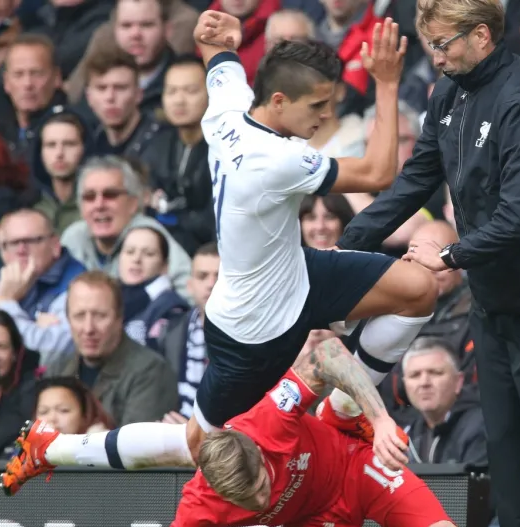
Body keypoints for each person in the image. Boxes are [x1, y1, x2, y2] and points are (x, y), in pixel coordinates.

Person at [335, 0, 520, 527]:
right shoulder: (448, 95)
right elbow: (415, 180)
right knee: (511, 474)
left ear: (482, 35)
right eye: (430, 46)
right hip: (496, 309)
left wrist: (450, 255)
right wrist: (346, 246)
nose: (434, 59)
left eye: (443, 45)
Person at [0, 338, 516, 527]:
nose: (265, 498)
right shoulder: (197, 508)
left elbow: (328, 354)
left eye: (264, 483)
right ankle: (51, 448)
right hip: (317, 526)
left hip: (357, 471)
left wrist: (380, 419)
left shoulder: (268, 420)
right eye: (252, 500)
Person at [174, 12, 437, 464]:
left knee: (419, 290)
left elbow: (219, 61)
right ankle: (59, 448)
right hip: (254, 322)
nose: (326, 115)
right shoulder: (278, 159)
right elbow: (378, 171)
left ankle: (343, 410)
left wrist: (217, 41)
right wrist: (388, 83)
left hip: (298, 270)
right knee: (200, 447)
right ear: (278, 101)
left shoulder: (226, 110)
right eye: (317, 106)